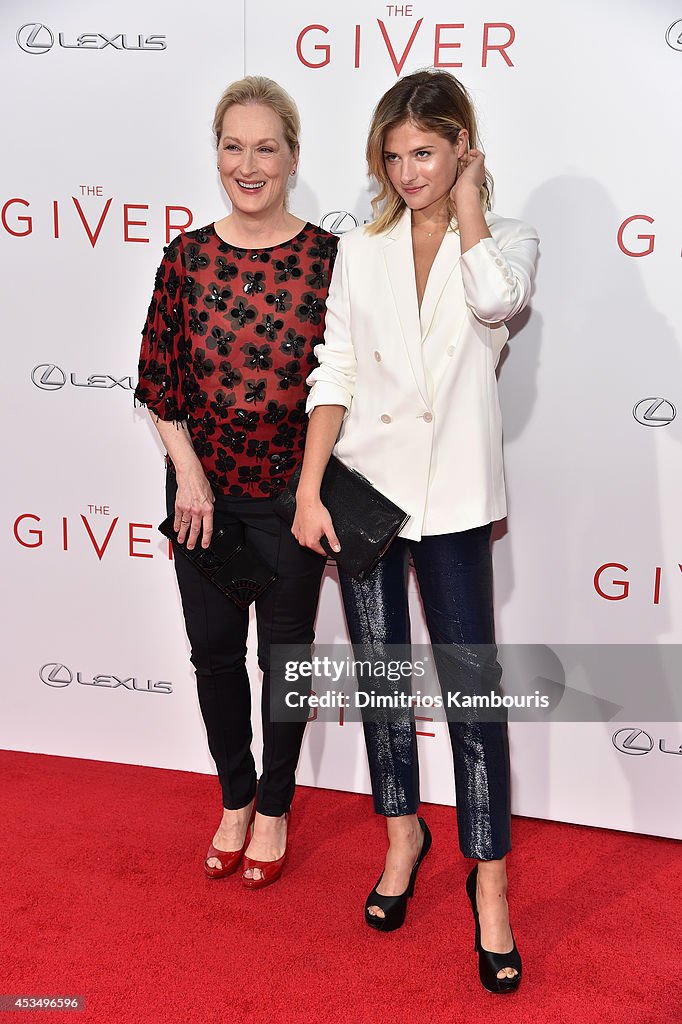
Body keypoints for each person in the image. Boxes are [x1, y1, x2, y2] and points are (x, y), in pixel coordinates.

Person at [292, 69, 538, 991]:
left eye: (426, 153)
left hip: (456, 502)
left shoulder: (507, 242)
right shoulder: (360, 249)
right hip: (367, 496)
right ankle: (403, 837)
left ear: (460, 148)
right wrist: (311, 488)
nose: (408, 172)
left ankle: (493, 885)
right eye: (393, 158)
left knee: (474, 697)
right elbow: (337, 370)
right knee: (383, 679)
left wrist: (470, 204)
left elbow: (493, 305)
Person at [135, 76, 337, 889]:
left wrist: (313, 489)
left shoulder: (328, 258)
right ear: (215, 152)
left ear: (292, 155)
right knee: (215, 656)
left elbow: (343, 383)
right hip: (202, 502)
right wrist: (187, 473)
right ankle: (235, 798)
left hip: (293, 500)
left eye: (265, 147)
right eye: (232, 145)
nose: (246, 165)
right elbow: (156, 377)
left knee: (285, 661)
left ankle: (278, 808)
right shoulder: (185, 257)